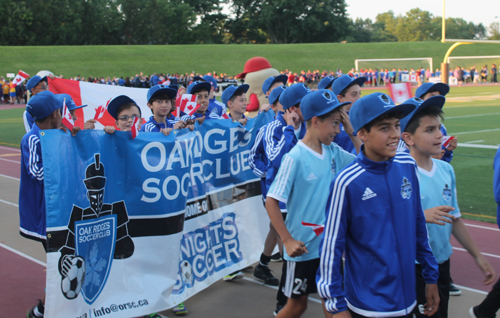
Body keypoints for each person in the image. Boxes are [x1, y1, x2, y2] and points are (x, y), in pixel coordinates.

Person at [317, 92, 440, 318]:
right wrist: (336, 306)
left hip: (408, 300)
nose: (395, 135)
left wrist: (431, 276)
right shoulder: (347, 182)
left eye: (396, 126)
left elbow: (418, 225)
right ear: (362, 133)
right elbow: (330, 247)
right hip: (368, 306)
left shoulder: (407, 165)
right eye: (384, 128)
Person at [400, 96, 496, 318]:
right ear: (408, 138)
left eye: (439, 129)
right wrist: (421, 216)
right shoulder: (399, 172)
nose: (439, 135)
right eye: (430, 130)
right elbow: (387, 221)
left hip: (442, 264)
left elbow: (455, 218)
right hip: (413, 267)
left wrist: (478, 256)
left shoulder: (446, 170)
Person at [266, 89, 356, 318]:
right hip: (303, 252)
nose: (338, 130)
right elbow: (272, 201)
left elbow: (363, 163)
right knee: (297, 306)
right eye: (335, 123)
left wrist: (352, 131)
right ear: (315, 121)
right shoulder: (295, 158)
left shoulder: (334, 151)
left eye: (340, 124)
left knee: (334, 303)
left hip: (330, 250)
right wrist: (286, 240)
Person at [21, 91, 80, 318]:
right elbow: (38, 172)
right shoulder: (34, 139)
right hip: (46, 216)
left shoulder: (57, 133)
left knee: (64, 261)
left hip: (60, 212)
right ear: (56, 113)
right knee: (61, 263)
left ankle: (47, 308)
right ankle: (43, 310)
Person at [248, 86, 288, 288]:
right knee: (283, 230)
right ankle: (289, 278)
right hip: (275, 190)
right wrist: (268, 174)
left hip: (292, 188)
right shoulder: (270, 128)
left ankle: (262, 265)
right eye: (283, 100)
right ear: (273, 106)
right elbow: (256, 157)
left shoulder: (300, 124)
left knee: (277, 228)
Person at [414, 83, 457, 164]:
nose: (435, 100)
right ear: (420, 99)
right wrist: (426, 158)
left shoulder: (441, 128)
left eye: (439, 97)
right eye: (432, 96)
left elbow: (443, 161)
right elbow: (399, 158)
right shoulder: (408, 125)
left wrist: (447, 150)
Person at [331, 74, 364, 155]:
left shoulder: (365, 117)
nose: (359, 98)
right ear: (340, 98)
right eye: (354, 94)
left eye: (360, 93)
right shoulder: (333, 122)